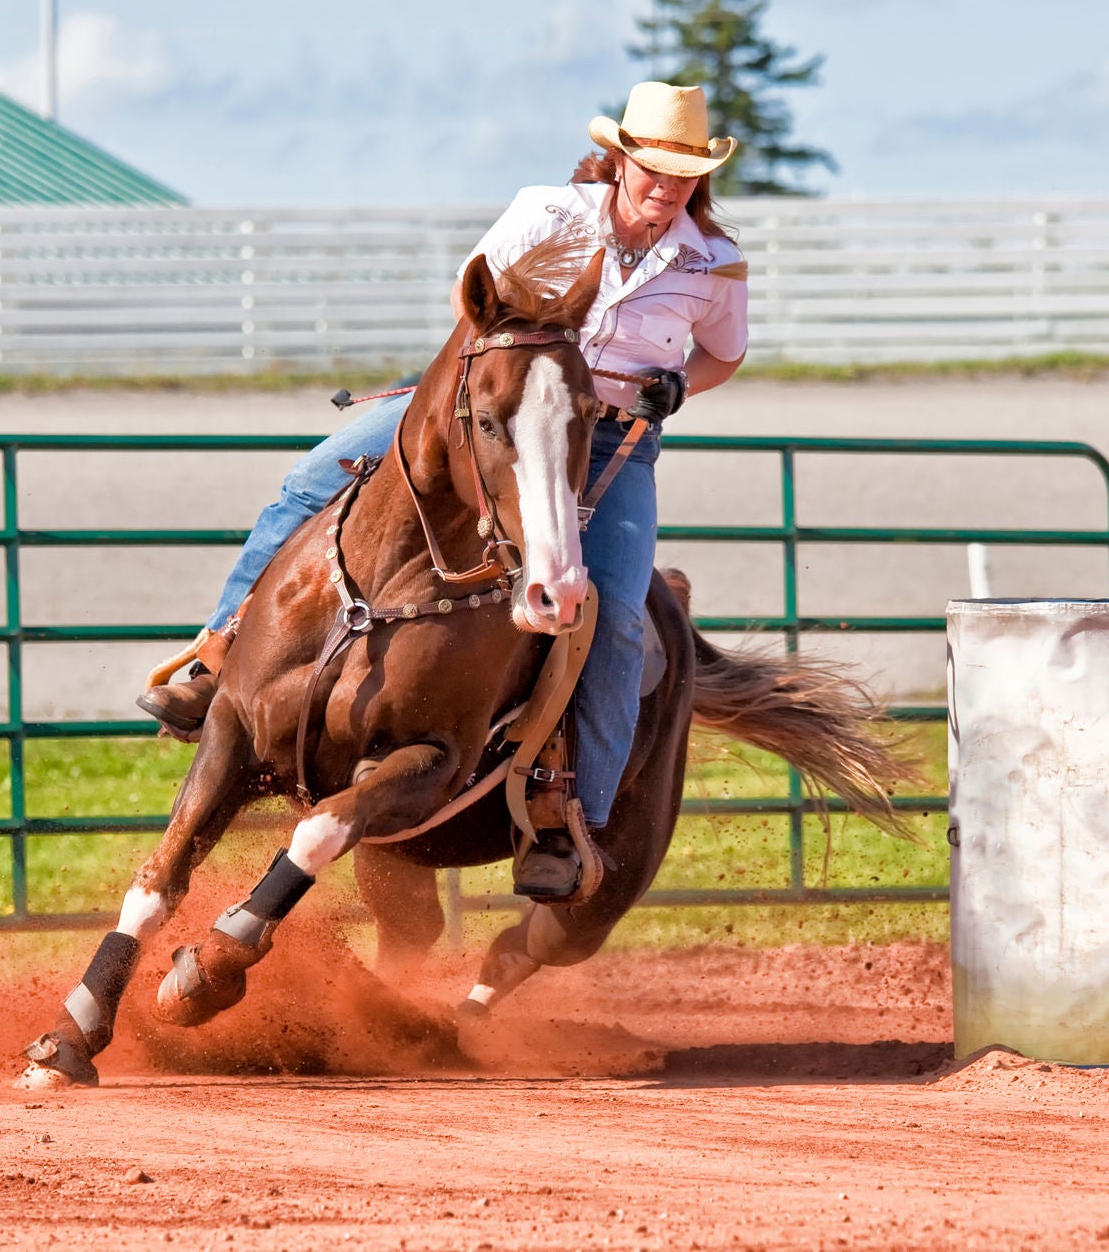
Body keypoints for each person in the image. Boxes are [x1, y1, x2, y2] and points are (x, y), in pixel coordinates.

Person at [138, 81, 750, 897]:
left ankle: (572, 812)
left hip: (604, 439)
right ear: (623, 159)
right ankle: (220, 652)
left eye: (681, 174)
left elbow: (724, 353)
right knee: (310, 479)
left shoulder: (713, 262)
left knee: (615, 606)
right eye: (652, 167)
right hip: (488, 405)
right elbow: (477, 309)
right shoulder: (549, 213)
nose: (664, 187)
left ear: (698, 181)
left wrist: (676, 385)